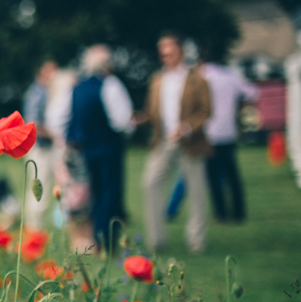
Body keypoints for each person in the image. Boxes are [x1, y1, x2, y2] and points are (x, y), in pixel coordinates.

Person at [140, 33, 212, 253]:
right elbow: (152, 111)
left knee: (197, 191)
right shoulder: (157, 80)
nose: (165, 56)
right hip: (163, 142)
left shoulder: (197, 80)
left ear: (180, 51)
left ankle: (196, 241)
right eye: (162, 52)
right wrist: (141, 118)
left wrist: (187, 128)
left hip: (190, 142)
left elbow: (206, 111)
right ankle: (156, 240)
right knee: (149, 183)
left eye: (169, 51)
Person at [66, 45, 133, 252]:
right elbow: (121, 121)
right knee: (110, 193)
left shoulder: (77, 88)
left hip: (87, 149)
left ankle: (97, 237)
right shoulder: (111, 85)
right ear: (106, 64)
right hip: (109, 147)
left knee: (96, 193)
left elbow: (65, 118)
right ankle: (107, 242)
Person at [202, 54, 259, 222]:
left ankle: (221, 213)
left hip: (209, 132)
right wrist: (240, 106)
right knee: (232, 176)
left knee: (213, 178)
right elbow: (253, 93)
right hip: (229, 131)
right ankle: (239, 212)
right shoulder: (232, 76)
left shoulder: (204, 76)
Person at [21, 60, 58, 227]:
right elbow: (33, 123)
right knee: (38, 191)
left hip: (48, 148)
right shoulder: (37, 93)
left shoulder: (48, 92)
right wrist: (57, 135)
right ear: (42, 73)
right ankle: (34, 230)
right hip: (40, 149)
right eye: (51, 72)